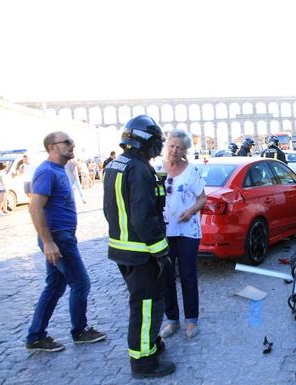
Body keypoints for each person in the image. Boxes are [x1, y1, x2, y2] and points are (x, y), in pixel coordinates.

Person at [102, 115, 175, 379]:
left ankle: (152, 345)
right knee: (146, 307)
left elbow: (109, 210)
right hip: (142, 252)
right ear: (146, 140)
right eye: (157, 141)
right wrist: (161, 252)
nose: (159, 146)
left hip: (122, 249)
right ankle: (144, 363)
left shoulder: (115, 165)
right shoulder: (140, 169)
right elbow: (144, 216)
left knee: (143, 304)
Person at [25, 131, 106, 352]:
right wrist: (48, 242)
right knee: (81, 283)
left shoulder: (57, 170)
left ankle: (35, 336)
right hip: (58, 238)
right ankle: (80, 331)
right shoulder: (46, 171)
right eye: (67, 142)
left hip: (62, 237)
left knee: (54, 286)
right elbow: (35, 207)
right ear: (52, 147)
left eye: (72, 141)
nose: (72, 145)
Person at [157, 128, 207, 339]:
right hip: (165, 231)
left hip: (187, 231)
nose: (175, 150)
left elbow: (202, 198)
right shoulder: (158, 169)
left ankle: (191, 321)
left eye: (179, 147)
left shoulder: (191, 171)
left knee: (187, 276)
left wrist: (190, 211)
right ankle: (172, 320)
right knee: (166, 277)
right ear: (166, 146)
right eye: (172, 145)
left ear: (185, 150)